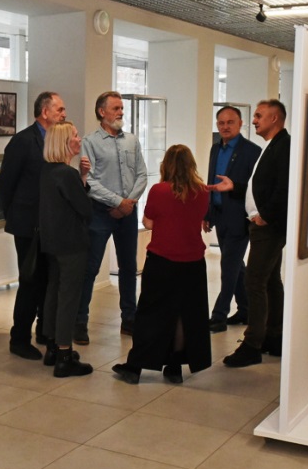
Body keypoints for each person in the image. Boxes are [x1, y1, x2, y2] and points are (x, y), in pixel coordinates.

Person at [111, 144, 212, 384]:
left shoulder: (159, 190)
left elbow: (148, 222)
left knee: (150, 314)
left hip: (162, 261)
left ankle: (135, 367)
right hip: (193, 262)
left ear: (166, 165)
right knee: (184, 315)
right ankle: (174, 367)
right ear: (191, 165)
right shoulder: (202, 191)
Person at [213, 99, 290, 367]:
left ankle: (252, 344)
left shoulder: (282, 146)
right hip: (263, 225)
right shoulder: (273, 145)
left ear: (274, 119)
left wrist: (265, 215)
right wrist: (235, 187)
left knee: (254, 281)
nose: (254, 120)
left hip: (268, 227)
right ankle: (274, 336)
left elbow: (284, 187)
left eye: (259, 116)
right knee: (270, 281)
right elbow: (261, 185)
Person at [0, 91, 67, 360]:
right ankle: (19, 339)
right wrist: (16, 216)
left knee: (47, 280)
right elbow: (6, 184)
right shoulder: (23, 141)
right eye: (60, 109)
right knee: (30, 281)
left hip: (49, 225)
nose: (64, 114)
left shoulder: (55, 140)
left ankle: (44, 330)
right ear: (45, 112)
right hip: (28, 226)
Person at [75, 91, 147, 345]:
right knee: (90, 268)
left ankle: (130, 319)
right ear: (101, 112)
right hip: (100, 213)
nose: (121, 112)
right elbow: (89, 181)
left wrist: (128, 203)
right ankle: (79, 322)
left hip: (128, 213)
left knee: (129, 267)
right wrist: (117, 202)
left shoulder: (132, 141)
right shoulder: (90, 142)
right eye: (116, 108)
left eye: (121, 108)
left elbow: (142, 174)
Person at [38, 121, 94, 377]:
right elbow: (85, 208)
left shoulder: (48, 171)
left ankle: (52, 347)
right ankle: (64, 354)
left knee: (54, 292)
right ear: (64, 142)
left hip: (52, 242)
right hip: (71, 243)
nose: (79, 139)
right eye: (75, 136)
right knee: (69, 297)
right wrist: (83, 179)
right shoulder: (67, 174)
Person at [203, 106, 261, 333]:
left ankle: (219, 315)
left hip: (239, 216)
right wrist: (208, 213)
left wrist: (234, 187)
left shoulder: (252, 151)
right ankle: (246, 309)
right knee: (235, 264)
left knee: (228, 265)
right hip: (219, 214)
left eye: (230, 122)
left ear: (240, 123)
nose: (225, 127)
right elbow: (211, 183)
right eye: (221, 123)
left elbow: (257, 189)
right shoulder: (215, 148)